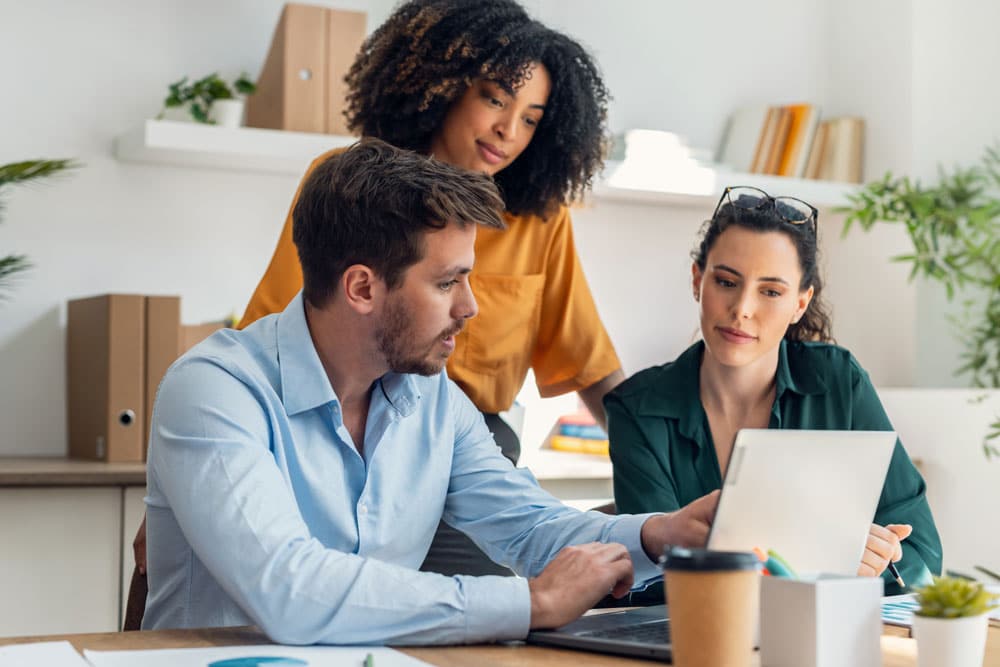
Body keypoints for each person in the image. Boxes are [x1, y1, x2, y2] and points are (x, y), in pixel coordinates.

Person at [142, 140, 715, 644]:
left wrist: (657, 534)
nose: (470, 307)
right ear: (362, 287)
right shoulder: (214, 391)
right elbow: (290, 588)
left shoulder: (432, 398)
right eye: (447, 283)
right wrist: (530, 604)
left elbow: (528, 525)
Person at [132, 0, 627, 583]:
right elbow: (275, 331)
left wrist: (660, 475)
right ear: (441, 85)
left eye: (530, 118)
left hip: (465, 449)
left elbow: (590, 363)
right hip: (335, 434)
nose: (507, 131)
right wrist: (191, 482)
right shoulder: (351, 192)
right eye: (495, 99)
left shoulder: (541, 221)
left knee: (478, 615)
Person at [605, 186, 943, 596]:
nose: (743, 308)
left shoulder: (840, 383)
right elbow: (654, 583)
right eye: (727, 282)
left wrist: (873, 564)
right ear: (698, 281)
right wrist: (821, 562)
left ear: (801, 303)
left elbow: (922, 557)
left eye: (770, 291)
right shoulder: (636, 408)